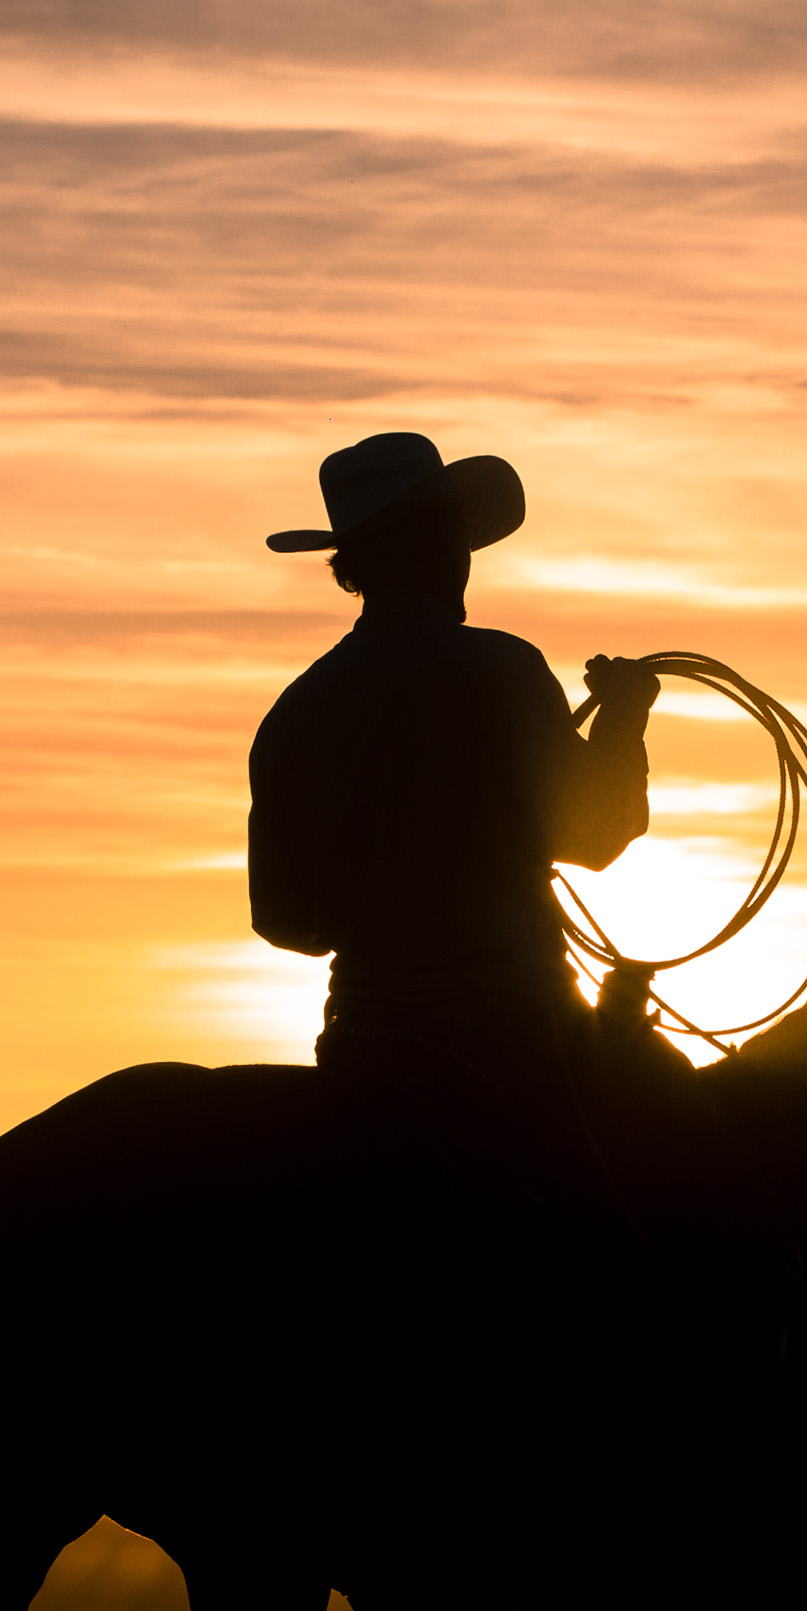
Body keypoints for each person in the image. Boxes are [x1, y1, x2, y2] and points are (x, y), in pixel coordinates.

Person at [248, 431, 676, 1220]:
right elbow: (600, 829)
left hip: (365, 1046)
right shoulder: (501, 670)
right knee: (697, 1175)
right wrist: (622, 720)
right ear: (446, 545)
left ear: (353, 565)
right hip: (521, 1041)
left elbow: (285, 920)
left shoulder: (296, 712)